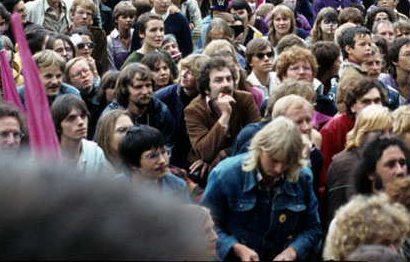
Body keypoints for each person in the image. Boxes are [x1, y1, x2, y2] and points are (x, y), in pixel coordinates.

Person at [200, 117, 322, 261]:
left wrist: (293, 251)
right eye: (274, 160)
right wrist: (235, 247)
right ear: (259, 149)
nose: (279, 169)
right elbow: (204, 227)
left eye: (287, 162)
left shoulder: (302, 177)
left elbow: (313, 228)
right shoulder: (225, 175)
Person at [184, 56, 261, 169]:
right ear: (206, 89)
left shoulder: (245, 99)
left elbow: (258, 137)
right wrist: (225, 116)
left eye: (229, 79)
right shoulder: (194, 110)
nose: (226, 84)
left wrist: (225, 154)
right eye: (218, 80)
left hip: (241, 160)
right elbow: (204, 153)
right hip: (206, 168)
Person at [102, 63, 178, 154]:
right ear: (125, 89)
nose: (145, 92)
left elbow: (169, 145)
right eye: (138, 87)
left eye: (148, 86)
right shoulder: (112, 115)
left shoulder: (160, 110)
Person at [118, 124, 190, 199]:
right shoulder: (115, 189)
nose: (162, 160)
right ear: (133, 163)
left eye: (164, 152)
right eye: (152, 156)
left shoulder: (178, 186)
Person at [51, 94, 107, 173]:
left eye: (83, 116)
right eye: (71, 118)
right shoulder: (46, 159)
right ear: (57, 126)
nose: (80, 122)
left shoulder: (95, 152)